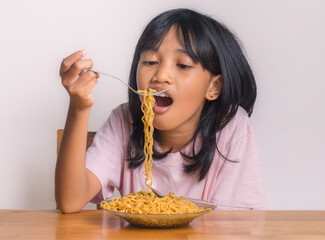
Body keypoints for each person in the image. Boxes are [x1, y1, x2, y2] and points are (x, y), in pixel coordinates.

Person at [55, 8, 267, 213]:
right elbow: (70, 200)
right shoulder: (123, 121)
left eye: (183, 65)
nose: (161, 75)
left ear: (213, 87)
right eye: (150, 61)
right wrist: (79, 108)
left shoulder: (230, 126)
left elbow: (239, 222)